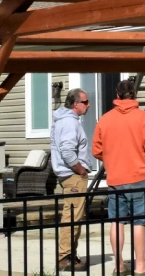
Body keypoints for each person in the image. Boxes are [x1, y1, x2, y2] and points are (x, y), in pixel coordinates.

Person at [93, 79, 145, 276]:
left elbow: (97, 150)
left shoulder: (105, 119)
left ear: (117, 95)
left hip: (115, 178)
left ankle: (119, 266)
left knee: (117, 222)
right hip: (140, 177)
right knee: (139, 222)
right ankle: (140, 267)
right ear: (134, 94)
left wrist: (112, 159)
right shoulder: (143, 118)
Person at [50, 87, 93, 272]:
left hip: (68, 175)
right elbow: (67, 151)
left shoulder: (64, 119)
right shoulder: (69, 122)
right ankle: (65, 257)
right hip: (73, 175)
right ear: (76, 104)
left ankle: (69, 254)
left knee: (73, 215)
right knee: (72, 216)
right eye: (85, 102)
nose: (88, 105)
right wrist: (80, 170)